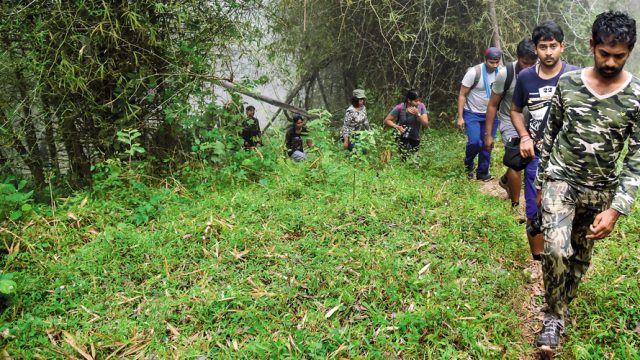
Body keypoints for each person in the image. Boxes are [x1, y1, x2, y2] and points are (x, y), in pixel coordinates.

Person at [534, 11, 639, 352]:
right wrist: (540, 183)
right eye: (604, 53)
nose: (610, 62)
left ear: (630, 51)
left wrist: (617, 210)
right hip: (560, 178)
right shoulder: (569, 84)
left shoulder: (636, 97)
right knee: (555, 248)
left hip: (601, 190)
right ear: (592, 46)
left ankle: (561, 306)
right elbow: (549, 134)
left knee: (579, 257)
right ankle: (552, 317)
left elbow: (637, 160)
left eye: (619, 56)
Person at [510, 21, 579, 261]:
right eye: (543, 47)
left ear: (562, 46)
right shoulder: (526, 78)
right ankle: (538, 260)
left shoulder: (575, 75)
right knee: (533, 208)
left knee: (567, 208)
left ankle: (564, 256)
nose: (548, 52)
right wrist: (525, 136)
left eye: (553, 46)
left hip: (569, 157)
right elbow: (516, 110)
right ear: (536, 49)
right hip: (536, 155)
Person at [484, 39, 537, 208]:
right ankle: (515, 205)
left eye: (532, 63)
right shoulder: (505, 74)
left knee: (529, 159)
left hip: (534, 124)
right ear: (518, 58)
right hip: (509, 121)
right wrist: (488, 135)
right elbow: (492, 105)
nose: (528, 67)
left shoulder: (542, 72)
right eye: (524, 63)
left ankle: (506, 180)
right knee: (516, 161)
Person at [457, 47, 502, 181]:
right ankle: (468, 164)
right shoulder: (474, 72)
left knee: (487, 143)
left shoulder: (501, 73)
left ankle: (482, 172)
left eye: (496, 62)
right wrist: (460, 117)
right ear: (485, 60)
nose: (494, 65)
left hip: (491, 114)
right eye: (491, 62)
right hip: (472, 112)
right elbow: (461, 94)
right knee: (475, 142)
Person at [383, 89, 429, 158]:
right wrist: (397, 127)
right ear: (409, 100)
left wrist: (418, 114)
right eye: (416, 101)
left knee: (414, 160)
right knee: (405, 158)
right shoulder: (400, 107)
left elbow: (425, 124)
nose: (418, 102)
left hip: (415, 138)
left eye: (419, 100)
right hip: (402, 137)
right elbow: (387, 120)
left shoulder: (421, 106)